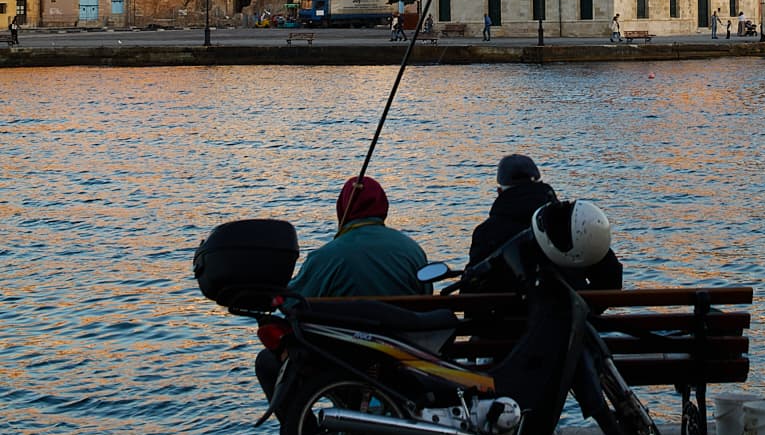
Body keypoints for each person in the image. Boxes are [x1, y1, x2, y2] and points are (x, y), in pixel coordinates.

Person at [256, 175, 430, 401]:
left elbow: (292, 304)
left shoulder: (327, 256)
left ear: (342, 209)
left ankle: (307, 434)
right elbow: (425, 301)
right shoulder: (412, 251)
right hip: (402, 359)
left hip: (344, 363)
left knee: (268, 363)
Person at [465, 153, 623, 290]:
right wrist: (586, 308)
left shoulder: (486, 232)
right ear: (539, 183)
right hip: (569, 319)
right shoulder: (570, 220)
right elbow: (610, 276)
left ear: (499, 191)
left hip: (505, 321)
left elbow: (472, 291)